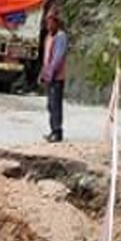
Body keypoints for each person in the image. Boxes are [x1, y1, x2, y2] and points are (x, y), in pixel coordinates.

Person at [40, 11, 69, 143]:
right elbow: (46, 58)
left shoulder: (60, 37)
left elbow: (57, 58)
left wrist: (50, 74)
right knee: (50, 105)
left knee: (55, 104)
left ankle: (57, 132)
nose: (49, 25)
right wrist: (43, 73)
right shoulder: (48, 37)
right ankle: (53, 130)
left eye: (51, 22)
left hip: (56, 77)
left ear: (57, 23)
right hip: (49, 75)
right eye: (47, 22)